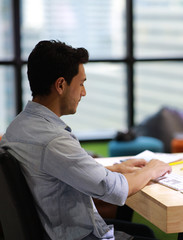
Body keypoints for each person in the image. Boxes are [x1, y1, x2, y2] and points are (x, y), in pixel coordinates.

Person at [0, 40, 172, 240]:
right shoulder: (54, 140)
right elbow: (116, 191)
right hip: (73, 234)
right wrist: (152, 169)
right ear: (61, 85)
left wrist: (115, 169)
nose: (84, 92)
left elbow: (55, 171)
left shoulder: (18, 126)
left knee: (143, 232)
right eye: (81, 83)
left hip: (50, 229)